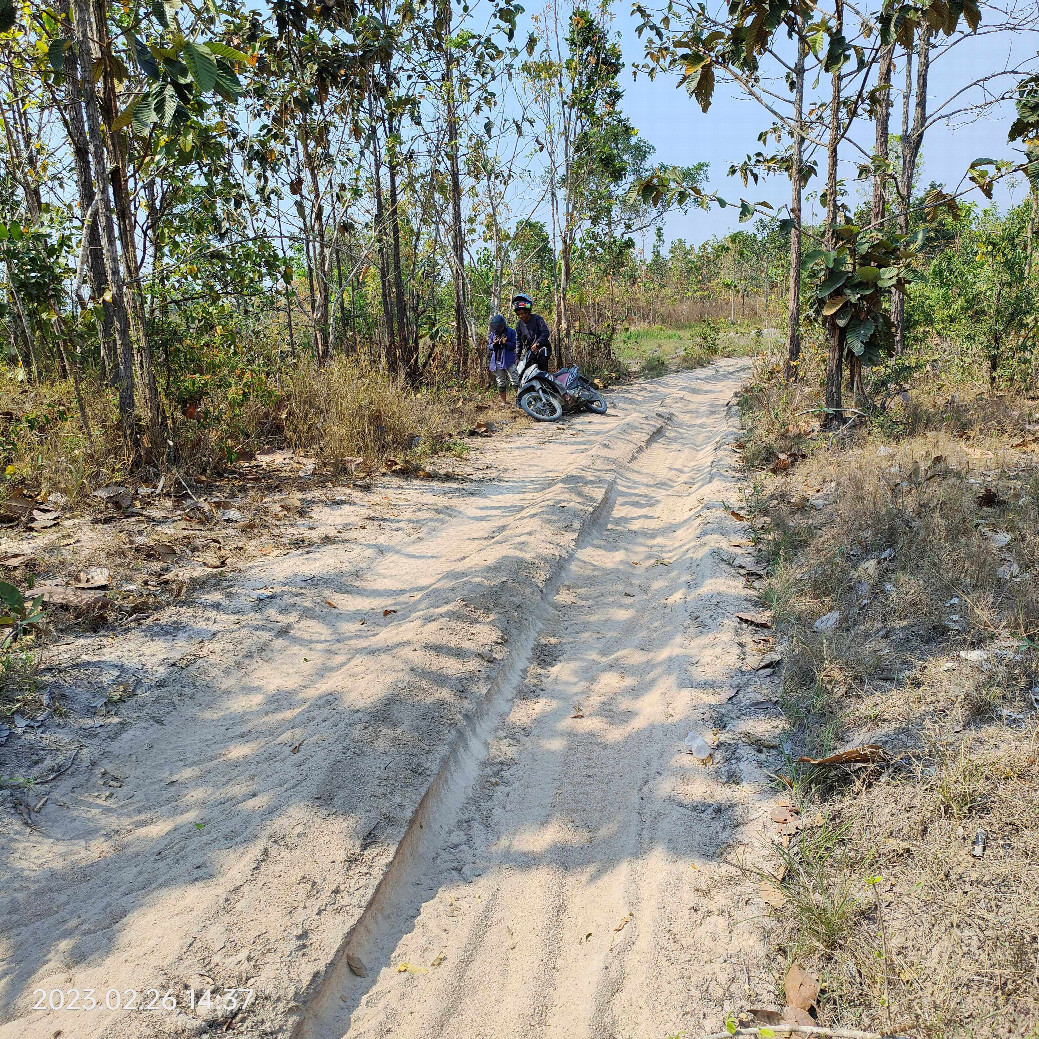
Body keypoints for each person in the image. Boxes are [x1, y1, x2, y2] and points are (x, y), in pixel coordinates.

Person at [512, 293, 551, 372]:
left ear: (528, 311)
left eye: (523, 313)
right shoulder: (519, 325)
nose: (521, 316)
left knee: (542, 359)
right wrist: (517, 357)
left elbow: (546, 332)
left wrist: (538, 343)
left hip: (543, 347)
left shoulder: (537, 319)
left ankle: (545, 382)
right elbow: (519, 342)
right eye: (518, 314)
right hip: (530, 352)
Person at [488, 314, 518, 405]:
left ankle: (519, 401)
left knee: (515, 381)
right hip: (497, 361)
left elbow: (514, 345)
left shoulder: (511, 332)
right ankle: (504, 402)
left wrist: (506, 343)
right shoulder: (492, 334)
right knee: (501, 383)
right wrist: (494, 344)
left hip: (508, 361)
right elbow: (489, 347)